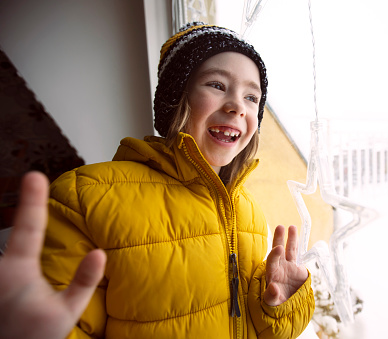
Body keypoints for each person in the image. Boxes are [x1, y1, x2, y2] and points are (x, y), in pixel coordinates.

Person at [0, 22, 314, 338]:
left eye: (251, 96)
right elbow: (62, 322)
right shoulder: (85, 198)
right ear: (177, 99)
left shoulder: (248, 211)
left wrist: (279, 306)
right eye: (217, 85)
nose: (237, 107)